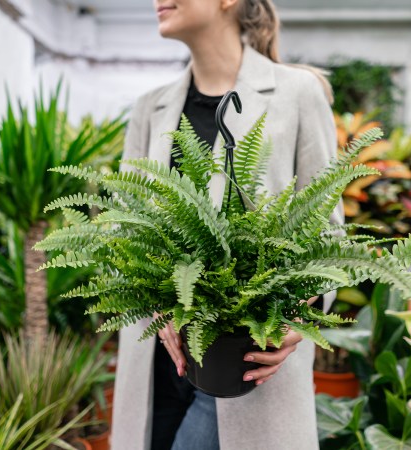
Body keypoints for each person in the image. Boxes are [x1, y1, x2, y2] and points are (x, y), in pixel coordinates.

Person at [111, 1, 342, 449]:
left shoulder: (297, 94)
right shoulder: (150, 108)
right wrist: (161, 306)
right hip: (159, 364)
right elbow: (125, 232)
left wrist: (298, 317)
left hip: (247, 362)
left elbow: (327, 234)